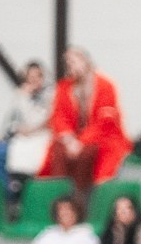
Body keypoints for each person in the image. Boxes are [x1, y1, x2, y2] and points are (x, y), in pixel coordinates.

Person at [37, 46, 130, 210]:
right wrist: (68, 139)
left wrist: (81, 142)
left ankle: (79, 203)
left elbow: (105, 122)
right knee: (58, 151)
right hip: (72, 140)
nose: (70, 66)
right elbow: (58, 117)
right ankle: (60, 199)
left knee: (87, 153)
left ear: (86, 61)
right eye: (68, 63)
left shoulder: (105, 86)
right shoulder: (64, 87)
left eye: (73, 61)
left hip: (100, 139)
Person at [0, 61, 53, 221]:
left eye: (38, 77)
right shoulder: (20, 95)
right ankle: (10, 186)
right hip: (14, 138)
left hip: (33, 141)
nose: (34, 81)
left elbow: (35, 121)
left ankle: (12, 195)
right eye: (30, 78)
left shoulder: (48, 96)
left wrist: (24, 98)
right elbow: (9, 122)